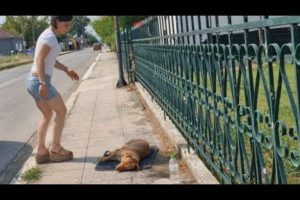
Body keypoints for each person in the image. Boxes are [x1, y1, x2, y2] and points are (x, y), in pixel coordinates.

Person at [26, 16, 79, 164]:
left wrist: (66, 69)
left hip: (33, 81)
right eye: (66, 24)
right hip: (39, 81)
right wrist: (43, 82)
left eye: (69, 25)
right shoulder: (49, 37)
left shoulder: (48, 35)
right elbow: (39, 60)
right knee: (61, 111)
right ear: (56, 22)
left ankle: (41, 152)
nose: (67, 27)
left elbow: (50, 59)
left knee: (47, 114)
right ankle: (55, 148)